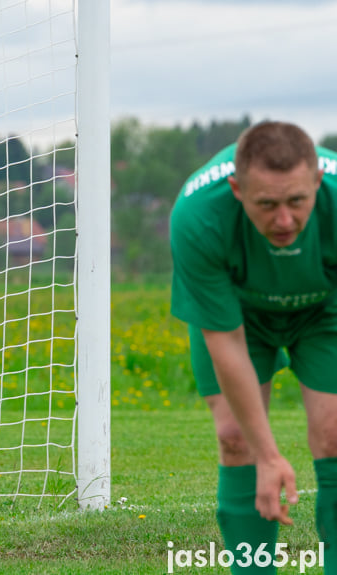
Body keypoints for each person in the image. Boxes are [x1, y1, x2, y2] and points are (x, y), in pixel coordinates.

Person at [170, 120, 337, 574]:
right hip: (240, 313)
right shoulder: (198, 215)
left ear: (317, 182)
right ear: (237, 189)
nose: (284, 220)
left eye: (297, 202)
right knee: (236, 438)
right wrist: (268, 456)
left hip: (326, 309)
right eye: (267, 205)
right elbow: (224, 339)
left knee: (335, 432)